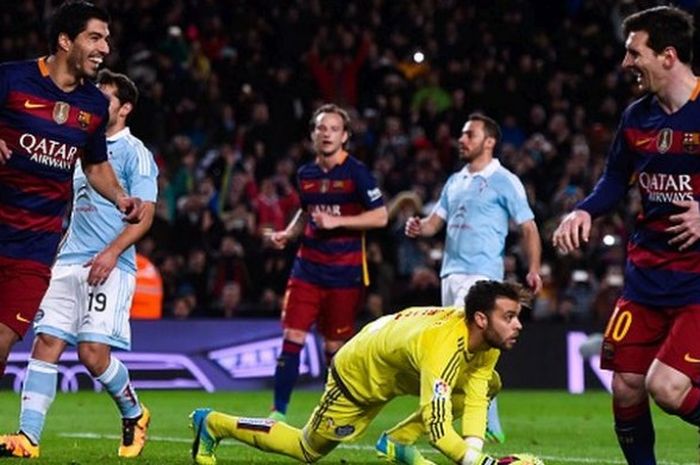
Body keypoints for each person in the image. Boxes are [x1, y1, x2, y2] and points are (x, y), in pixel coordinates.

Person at [552, 6, 700, 464]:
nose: (626, 64)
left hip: (697, 283)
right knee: (625, 385)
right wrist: (584, 211)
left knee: (667, 388)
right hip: (646, 278)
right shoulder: (637, 117)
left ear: (668, 56)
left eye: (634, 53)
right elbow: (615, 180)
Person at [189, 280, 536, 465]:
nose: (518, 325)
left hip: (396, 358)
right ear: (480, 319)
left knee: (489, 383)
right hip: (359, 374)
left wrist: (474, 456)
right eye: (509, 316)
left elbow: (475, 395)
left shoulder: (486, 344)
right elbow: (439, 429)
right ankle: (213, 423)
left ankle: (397, 443)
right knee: (307, 449)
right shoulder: (444, 347)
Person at [0, 69, 157, 458]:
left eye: (106, 100)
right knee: (47, 341)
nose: (95, 106)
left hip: (112, 264)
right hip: (67, 260)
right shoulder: (78, 145)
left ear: (125, 109)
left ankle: (134, 411)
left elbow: (146, 215)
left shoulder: (135, 153)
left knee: (92, 354)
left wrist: (110, 252)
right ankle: (28, 438)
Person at [0, 1, 144, 384]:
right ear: (65, 40)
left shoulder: (95, 105)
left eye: (107, 40)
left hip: (35, 246)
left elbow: (95, 165)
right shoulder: (11, 80)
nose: (105, 49)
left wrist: (119, 197)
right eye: (95, 38)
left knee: (2, 340)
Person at [403, 113, 543, 443]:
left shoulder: (505, 180)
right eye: (462, 134)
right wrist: (420, 227)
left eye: (469, 134)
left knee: (473, 342)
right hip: (450, 273)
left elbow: (528, 226)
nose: (462, 140)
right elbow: (435, 222)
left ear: (489, 141)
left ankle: (482, 419)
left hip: (482, 274)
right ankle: (477, 416)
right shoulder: (455, 181)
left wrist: (534, 267)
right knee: (455, 343)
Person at [264, 103, 388, 422]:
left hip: (344, 274)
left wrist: (338, 223)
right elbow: (306, 211)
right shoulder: (305, 174)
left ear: (345, 136)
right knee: (292, 338)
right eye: (321, 128)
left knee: (334, 348)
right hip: (306, 269)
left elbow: (381, 216)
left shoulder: (357, 173)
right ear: (313, 135)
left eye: (334, 129)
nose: (327, 134)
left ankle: (333, 412)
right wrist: (288, 234)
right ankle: (278, 412)